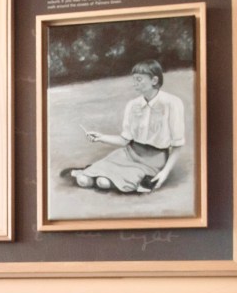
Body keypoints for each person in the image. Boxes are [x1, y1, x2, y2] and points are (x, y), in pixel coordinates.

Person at [68, 59, 186, 193]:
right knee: (83, 180)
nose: (134, 83)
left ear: (154, 80)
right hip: (128, 153)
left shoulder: (172, 103)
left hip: (153, 161)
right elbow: (124, 140)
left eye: (139, 79)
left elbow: (177, 145)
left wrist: (164, 173)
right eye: (134, 79)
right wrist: (100, 137)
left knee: (103, 182)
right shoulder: (133, 105)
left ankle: (116, 179)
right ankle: (99, 173)